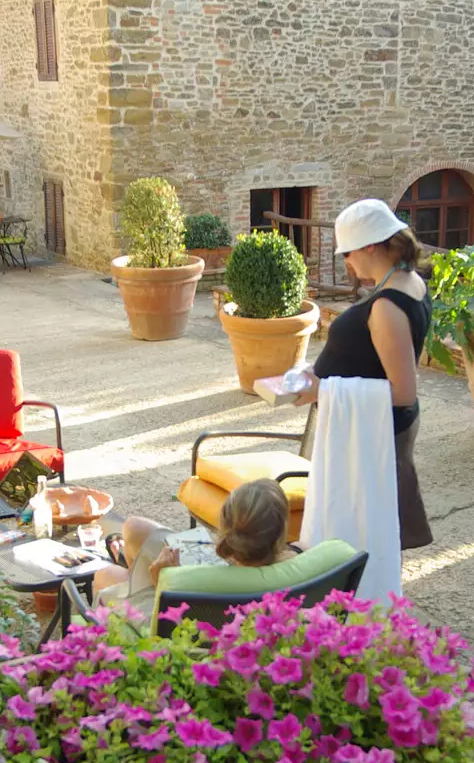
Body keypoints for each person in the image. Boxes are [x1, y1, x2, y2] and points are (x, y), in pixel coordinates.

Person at [297, 198, 433, 549]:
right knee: (370, 521)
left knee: (368, 526)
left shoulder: (389, 305)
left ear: (370, 245)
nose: (346, 262)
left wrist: (324, 390)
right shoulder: (408, 281)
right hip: (371, 425)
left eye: (347, 253)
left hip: (376, 430)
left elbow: (403, 391)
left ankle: (364, 593)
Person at [92, 479, 297, 613]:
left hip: (172, 616)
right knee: (134, 527)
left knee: (104, 575)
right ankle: (134, 576)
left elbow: (176, 617)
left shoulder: (194, 583)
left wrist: (164, 580)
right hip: (212, 580)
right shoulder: (299, 566)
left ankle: (133, 582)